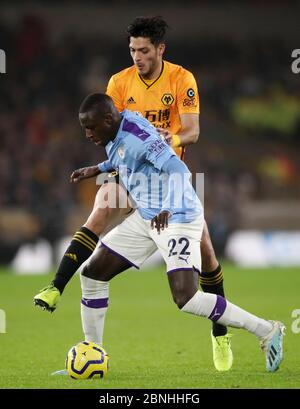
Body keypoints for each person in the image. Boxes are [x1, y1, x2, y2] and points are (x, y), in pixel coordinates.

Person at [34, 16, 231, 371]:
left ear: (160, 49)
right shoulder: (119, 82)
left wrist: (158, 140)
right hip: (128, 174)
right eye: (132, 50)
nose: (137, 57)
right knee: (98, 213)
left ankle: (220, 333)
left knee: (208, 259)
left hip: (167, 179)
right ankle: (55, 286)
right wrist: (102, 166)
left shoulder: (181, 79)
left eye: (143, 50)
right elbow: (109, 128)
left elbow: (192, 132)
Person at [63, 92, 286, 373]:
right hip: (147, 219)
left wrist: (167, 208)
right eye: (84, 127)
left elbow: (178, 169)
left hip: (177, 215)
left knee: (186, 297)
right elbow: (124, 158)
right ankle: (92, 354)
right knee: (92, 274)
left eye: (91, 127)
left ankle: (266, 330)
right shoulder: (117, 130)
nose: (87, 134)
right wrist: (97, 169)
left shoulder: (135, 135)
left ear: (108, 119)